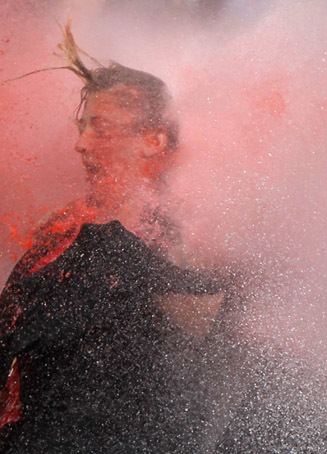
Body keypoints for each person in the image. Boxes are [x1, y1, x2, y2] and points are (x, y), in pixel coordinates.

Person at [0, 25, 227, 453]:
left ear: (153, 140)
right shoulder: (59, 228)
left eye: (100, 129)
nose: (81, 145)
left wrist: (124, 261)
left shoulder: (179, 231)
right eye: (81, 128)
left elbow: (202, 324)